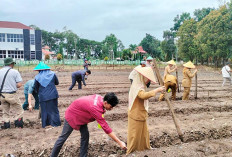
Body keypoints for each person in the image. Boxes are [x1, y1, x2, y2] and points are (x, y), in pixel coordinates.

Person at [50, 92, 127, 157]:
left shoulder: (100, 98)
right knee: (63, 137)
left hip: (81, 116)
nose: (111, 108)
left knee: (85, 135)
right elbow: (106, 128)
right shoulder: (95, 108)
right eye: (111, 106)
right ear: (105, 102)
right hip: (72, 116)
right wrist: (119, 142)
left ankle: (83, 155)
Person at [127, 67, 165, 155]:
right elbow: (143, 95)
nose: (148, 81)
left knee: (144, 133)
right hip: (136, 114)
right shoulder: (137, 86)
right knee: (134, 135)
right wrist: (157, 90)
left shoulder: (140, 84)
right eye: (147, 79)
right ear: (142, 77)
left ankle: (144, 147)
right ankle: (131, 151)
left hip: (140, 113)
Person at [34, 62, 61, 128]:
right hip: (53, 95)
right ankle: (56, 124)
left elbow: (36, 87)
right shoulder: (53, 74)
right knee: (54, 110)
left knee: (44, 111)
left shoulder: (37, 77)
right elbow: (57, 83)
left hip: (43, 96)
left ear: (39, 70)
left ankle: (45, 125)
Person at [0, 57, 23, 129]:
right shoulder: (15, 72)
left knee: (5, 112)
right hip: (12, 94)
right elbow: (19, 85)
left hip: (2, 95)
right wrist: (13, 84)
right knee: (19, 110)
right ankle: (18, 125)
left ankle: (6, 126)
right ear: (11, 64)